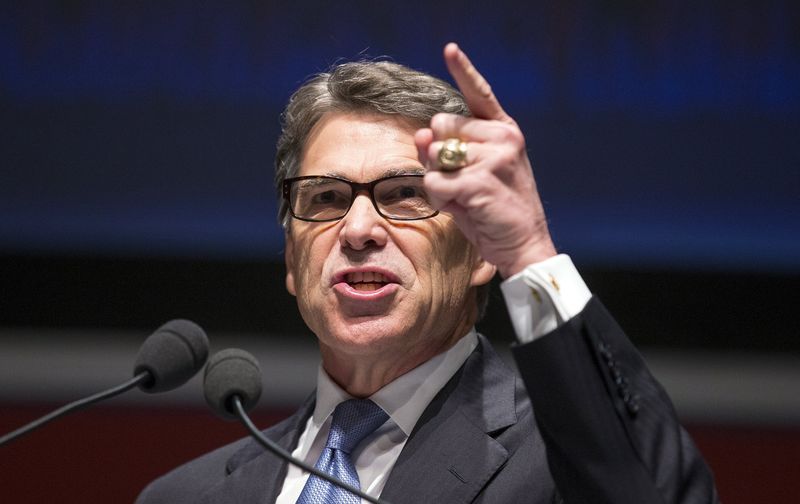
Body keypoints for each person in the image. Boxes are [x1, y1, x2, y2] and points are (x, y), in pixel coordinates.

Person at [137, 43, 719, 503]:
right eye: (326, 197)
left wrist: (531, 251)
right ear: (292, 261)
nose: (358, 228)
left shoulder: (563, 462)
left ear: (480, 252)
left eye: (406, 194)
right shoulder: (185, 496)